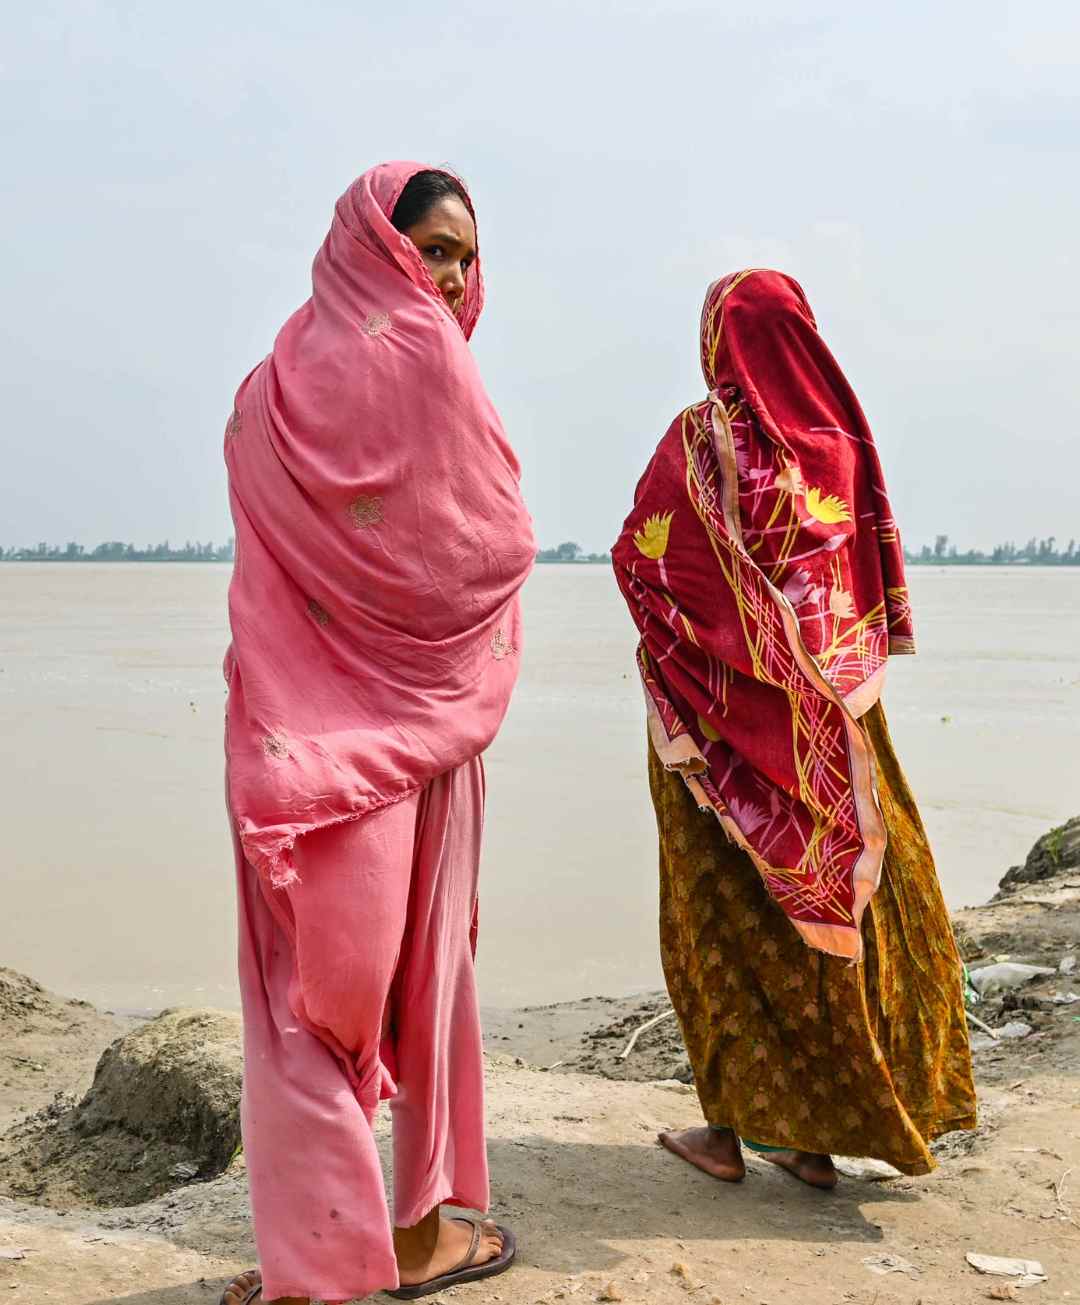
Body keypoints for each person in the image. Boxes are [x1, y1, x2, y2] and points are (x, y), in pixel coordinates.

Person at [218, 162, 535, 1305]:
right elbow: (492, 545)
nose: (449, 277)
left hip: (288, 746)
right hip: (416, 738)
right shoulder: (428, 362)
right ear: (380, 245)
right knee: (414, 988)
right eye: (435, 248)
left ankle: (313, 1268)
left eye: (464, 255)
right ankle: (404, 1247)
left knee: (305, 1006)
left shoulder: (267, 385)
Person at [612, 269, 976, 1189]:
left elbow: (642, 560)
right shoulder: (842, 447)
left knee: (725, 922)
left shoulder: (704, 441)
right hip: (839, 734)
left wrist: (723, 663)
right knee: (837, 914)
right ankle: (813, 1143)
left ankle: (729, 1134)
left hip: (716, 733)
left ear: (719, 342)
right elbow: (859, 579)